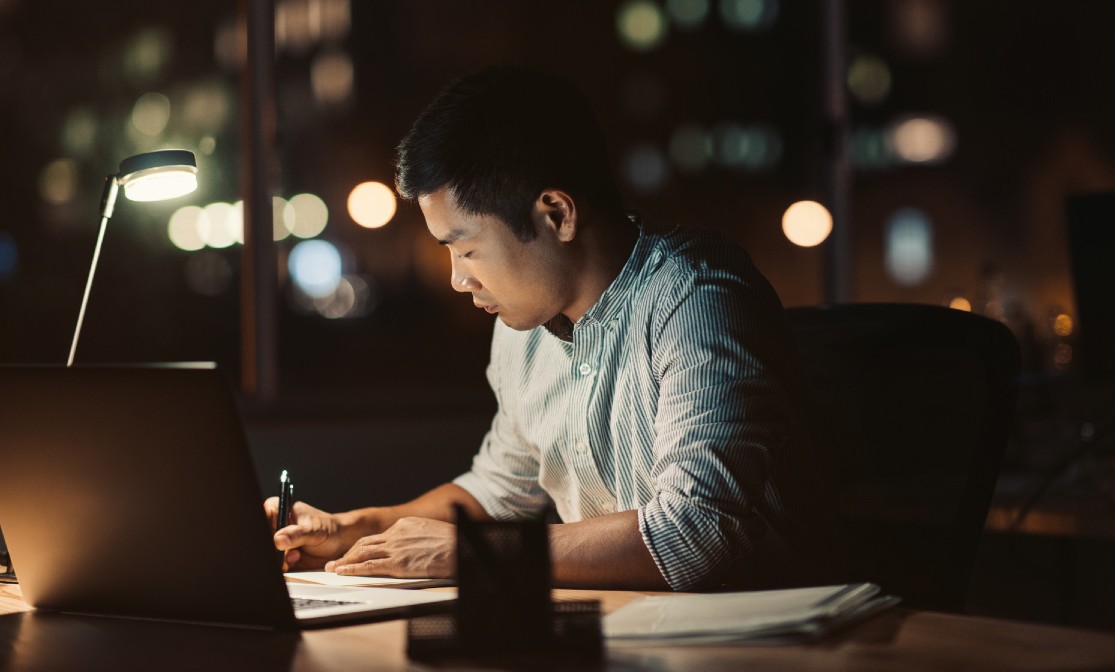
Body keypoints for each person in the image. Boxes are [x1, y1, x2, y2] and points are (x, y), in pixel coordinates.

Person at [265, 66, 839, 591]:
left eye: (466, 249)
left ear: (557, 214)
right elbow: (497, 495)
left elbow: (693, 535)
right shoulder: (524, 325)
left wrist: (470, 553)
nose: (457, 279)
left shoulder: (697, 294)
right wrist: (354, 531)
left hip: (775, 636)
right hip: (629, 630)